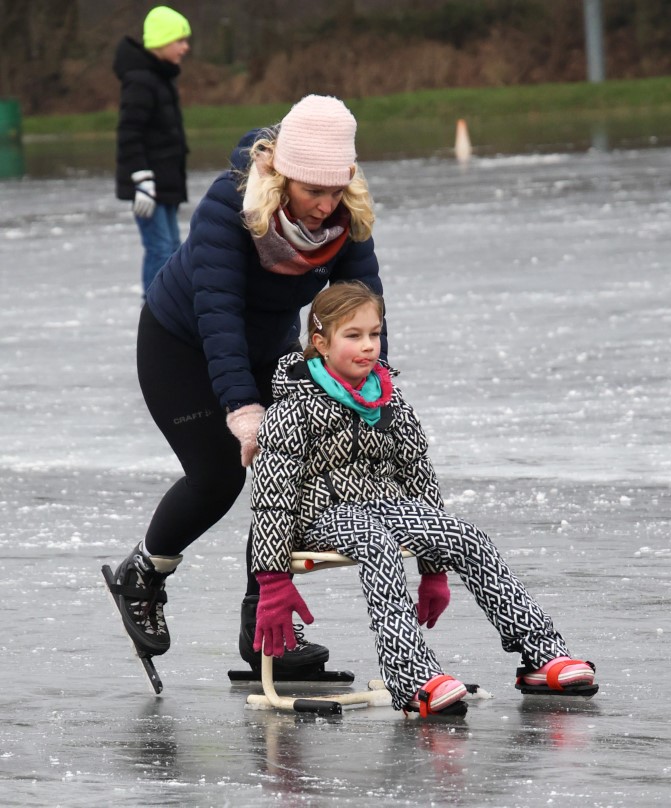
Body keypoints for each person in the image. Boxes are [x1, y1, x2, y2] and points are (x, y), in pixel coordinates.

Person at [105, 95, 385, 680]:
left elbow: (362, 302)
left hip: (266, 343)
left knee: (294, 466)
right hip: (180, 343)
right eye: (313, 191)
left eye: (336, 191)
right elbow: (218, 314)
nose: (324, 205)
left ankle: (267, 627)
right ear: (282, 175)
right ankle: (144, 573)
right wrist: (241, 406)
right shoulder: (227, 207)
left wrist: (372, 385)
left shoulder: (343, 215)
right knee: (219, 475)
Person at [248, 282, 598, 716]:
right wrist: (273, 581)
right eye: (353, 336)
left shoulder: (389, 401)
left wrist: (433, 569)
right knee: (375, 542)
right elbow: (271, 497)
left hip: (386, 507)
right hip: (321, 515)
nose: (368, 346)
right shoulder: (292, 408)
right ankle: (412, 676)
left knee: (465, 536)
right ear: (320, 343)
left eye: (374, 334)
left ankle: (541, 656)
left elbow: (418, 481)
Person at [113, 6, 191, 294]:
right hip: (149, 185)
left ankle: (168, 308)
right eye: (179, 40)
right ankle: (156, 313)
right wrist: (141, 180)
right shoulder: (142, 80)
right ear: (162, 41)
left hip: (164, 181)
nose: (185, 47)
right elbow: (129, 134)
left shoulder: (160, 77)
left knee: (172, 248)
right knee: (160, 249)